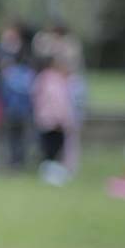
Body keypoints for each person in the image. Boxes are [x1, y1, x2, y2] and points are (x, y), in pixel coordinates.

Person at [31, 55, 74, 186]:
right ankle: (51, 175)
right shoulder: (54, 80)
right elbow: (58, 102)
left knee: (49, 149)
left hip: (45, 120)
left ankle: (50, 174)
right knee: (53, 149)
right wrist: (60, 118)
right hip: (54, 121)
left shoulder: (41, 79)